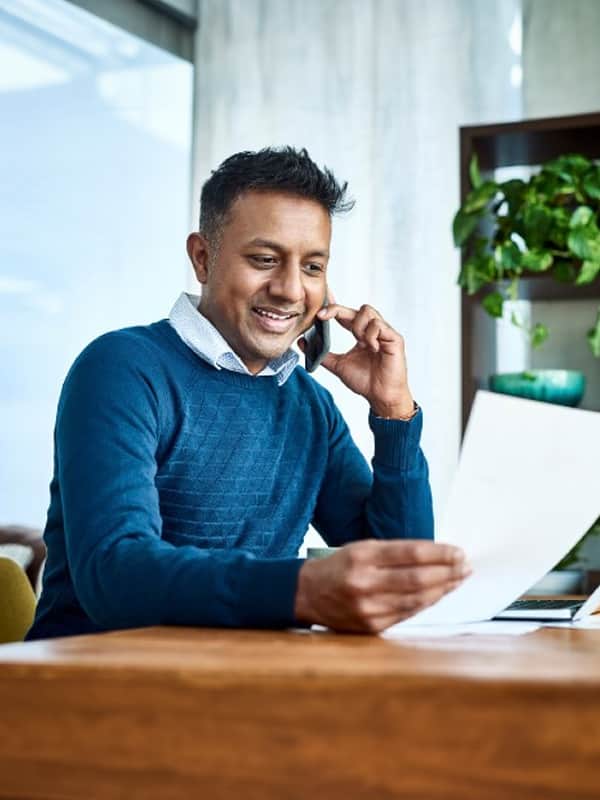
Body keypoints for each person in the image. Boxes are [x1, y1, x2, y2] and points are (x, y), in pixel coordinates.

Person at [26, 147, 470, 641]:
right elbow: (115, 574)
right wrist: (298, 589)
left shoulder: (307, 403)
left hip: (239, 683)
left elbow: (396, 578)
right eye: (264, 259)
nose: (289, 290)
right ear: (202, 257)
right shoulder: (121, 369)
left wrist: (394, 414)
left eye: (313, 267)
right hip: (86, 690)